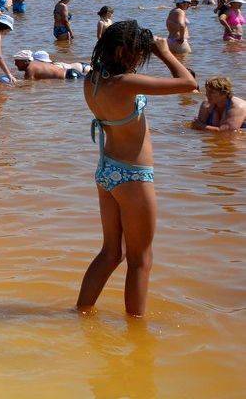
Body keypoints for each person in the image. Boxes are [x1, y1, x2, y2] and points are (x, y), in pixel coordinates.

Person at [76, 20, 196, 318]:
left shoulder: (93, 80)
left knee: (110, 253)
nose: (140, 59)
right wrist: (165, 52)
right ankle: (136, 330)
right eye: (138, 53)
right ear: (121, 52)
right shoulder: (126, 83)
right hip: (133, 175)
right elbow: (189, 84)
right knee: (141, 260)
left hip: (107, 171)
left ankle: (81, 313)